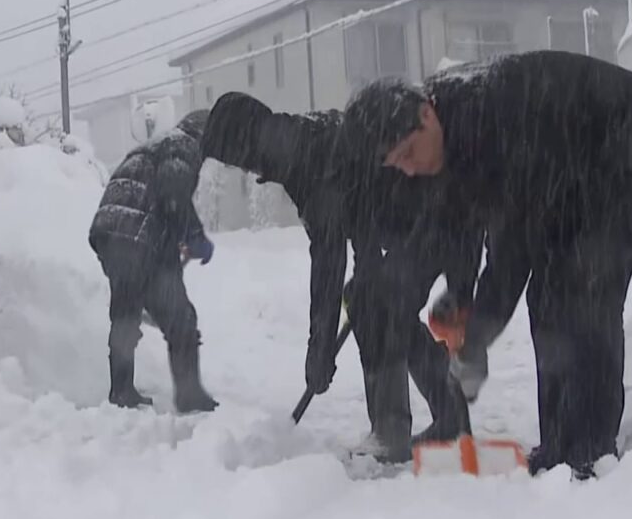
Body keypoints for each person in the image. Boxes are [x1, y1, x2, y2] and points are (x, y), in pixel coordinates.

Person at [344, 50, 632, 479]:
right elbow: (458, 228)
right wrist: (459, 304)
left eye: (409, 153)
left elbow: (512, 248)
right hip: (577, 169)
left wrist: (476, 338)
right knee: (548, 295)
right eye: (398, 164)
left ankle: (590, 453)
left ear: (426, 114)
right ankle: (560, 444)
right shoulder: (450, 139)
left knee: (584, 284)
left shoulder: (492, 122)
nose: (409, 169)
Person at [199, 92, 476, 461]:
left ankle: (393, 429)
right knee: (374, 300)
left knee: (375, 303)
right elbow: (362, 214)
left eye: (237, 158)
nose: (245, 169)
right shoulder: (304, 142)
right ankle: (438, 415)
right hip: (423, 215)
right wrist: (364, 276)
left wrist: (320, 348)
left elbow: (329, 258)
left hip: (437, 213)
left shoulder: (306, 159)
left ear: (246, 142)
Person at [88, 110, 219, 414]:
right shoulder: (184, 145)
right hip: (140, 239)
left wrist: (175, 237)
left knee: (125, 315)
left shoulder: (154, 146)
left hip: (110, 234)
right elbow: (173, 192)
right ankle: (189, 395)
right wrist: (194, 236)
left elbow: (154, 196)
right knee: (181, 319)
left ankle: (121, 390)